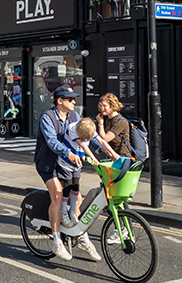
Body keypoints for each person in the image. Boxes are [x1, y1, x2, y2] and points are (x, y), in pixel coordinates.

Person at [33, 85, 83, 261]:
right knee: (58, 195)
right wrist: (68, 153)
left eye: (74, 99)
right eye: (70, 99)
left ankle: (79, 235)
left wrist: (104, 150)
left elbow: (84, 135)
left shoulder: (74, 116)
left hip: (66, 164)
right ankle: (56, 241)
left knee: (78, 199)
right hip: (48, 163)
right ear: (59, 101)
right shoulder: (48, 117)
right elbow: (52, 142)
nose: (74, 102)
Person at [95, 93, 132, 158]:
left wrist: (100, 123)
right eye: (101, 105)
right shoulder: (109, 120)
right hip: (112, 156)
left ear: (112, 106)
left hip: (122, 156)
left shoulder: (120, 121)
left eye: (104, 106)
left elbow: (104, 139)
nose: (102, 108)